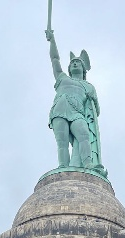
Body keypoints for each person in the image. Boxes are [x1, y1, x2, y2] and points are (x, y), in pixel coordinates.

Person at [45, 29, 105, 175]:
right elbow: (54, 59)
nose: (75, 64)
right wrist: (52, 40)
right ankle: (63, 167)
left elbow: (95, 111)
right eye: (72, 63)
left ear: (84, 68)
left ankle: (88, 163)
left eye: (78, 62)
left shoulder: (89, 86)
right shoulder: (62, 78)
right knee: (62, 142)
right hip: (60, 109)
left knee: (84, 135)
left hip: (78, 113)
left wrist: (92, 100)